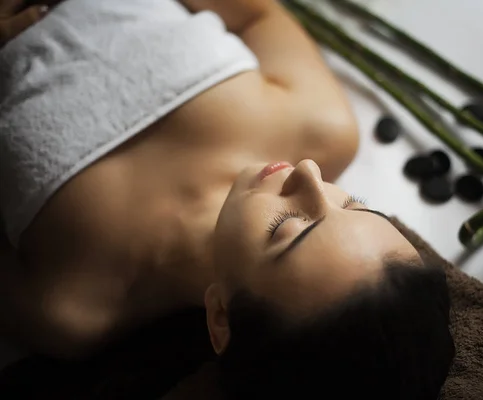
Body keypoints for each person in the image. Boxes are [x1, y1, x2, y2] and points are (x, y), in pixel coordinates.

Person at [0, 0, 455, 398]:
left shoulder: (70, 303)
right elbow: (256, 13)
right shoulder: (323, 125)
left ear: (222, 319)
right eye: (352, 202)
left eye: (289, 227)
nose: (308, 173)